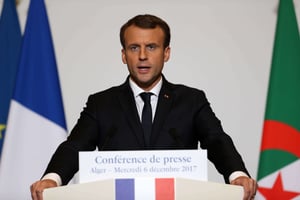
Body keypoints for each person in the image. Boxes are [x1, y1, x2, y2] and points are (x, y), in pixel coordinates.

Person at [30, 14, 257, 200]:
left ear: (166, 53)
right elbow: (75, 146)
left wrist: (236, 174)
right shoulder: (101, 103)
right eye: (133, 47)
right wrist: (53, 178)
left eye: (151, 47)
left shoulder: (192, 100)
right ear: (123, 55)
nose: (142, 56)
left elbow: (216, 139)